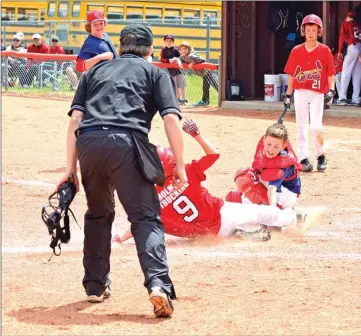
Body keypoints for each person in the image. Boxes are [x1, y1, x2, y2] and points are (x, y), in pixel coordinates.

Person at [56, 23, 187, 318]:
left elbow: (74, 122)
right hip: (127, 143)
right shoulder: (156, 73)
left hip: (89, 144)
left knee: (98, 213)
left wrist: (70, 169)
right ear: (150, 49)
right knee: (144, 218)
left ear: (121, 46)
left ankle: (94, 285)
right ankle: (158, 285)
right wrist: (179, 164)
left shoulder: (95, 72)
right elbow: (170, 120)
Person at [114, 119, 304, 245]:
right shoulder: (184, 173)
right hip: (223, 214)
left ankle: (243, 231)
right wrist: (196, 135)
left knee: (236, 204)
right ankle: (293, 217)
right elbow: (214, 154)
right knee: (265, 212)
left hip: (207, 233)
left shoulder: (149, 197)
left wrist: (121, 239)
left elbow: (138, 224)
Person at [283, 14, 335, 172]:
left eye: (314, 29)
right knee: (301, 127)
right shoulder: (296, 51)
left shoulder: (324, 50)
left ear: (319, 31)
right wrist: (288, 95)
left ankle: (320, 155)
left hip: (318, 93)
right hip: (300, 92)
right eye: (308, 29)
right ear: (303, 31)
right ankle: (303, 158)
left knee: (316, 128)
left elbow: (330, 74)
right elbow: (291, 74)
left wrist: (331, 91)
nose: (311, 32)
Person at [228, 123, 302, 211]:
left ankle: (281, 213)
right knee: (236, 195)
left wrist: (273, 215)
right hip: (278, 189)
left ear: (283, 146)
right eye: (269, 144)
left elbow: (272, 191)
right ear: (264, 140)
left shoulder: (284, 162)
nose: (271, 149)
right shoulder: (263, 149)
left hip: (287, 195)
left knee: (246, 182)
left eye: (276, 146)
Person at [177, 41, 219, 107]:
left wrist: (192, 62)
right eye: (182, 49)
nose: (183, 50)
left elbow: (203, 59)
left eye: (185, 49)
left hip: (207, 71)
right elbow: (178, 59)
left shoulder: (191, 55)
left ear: (189, 49)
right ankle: (205, 101)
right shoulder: (182, 57)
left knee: (215, 85)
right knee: (206, 86)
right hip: (202, 73)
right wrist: (179, 63)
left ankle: (225, 97)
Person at [335, 11, 361, 107]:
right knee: (357, 75)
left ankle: (342, 98)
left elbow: (342, 37)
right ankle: (356, 99)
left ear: (348, 17)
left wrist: (340, 51)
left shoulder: (345, 24)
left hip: (352, 47)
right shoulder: (359, 25)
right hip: (360, 48)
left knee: (345, 73)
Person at [160, 34, 187, 105]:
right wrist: (168, 60)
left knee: (180, 85)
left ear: (173, 42)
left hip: (178, 70)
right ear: (165, 42)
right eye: (167, 41)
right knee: (172, 85)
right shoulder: (163, 50)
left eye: (170, 41)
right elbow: (162, 59)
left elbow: (180, 57)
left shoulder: (175, 50)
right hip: (169, 71)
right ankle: (174, 99)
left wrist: (176, 60)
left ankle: (181, 99)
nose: (169, 42)